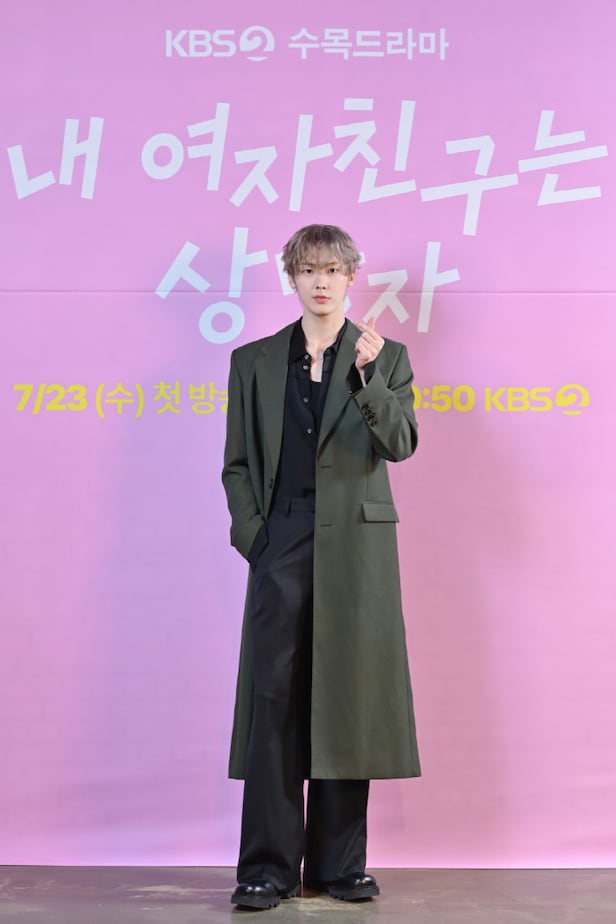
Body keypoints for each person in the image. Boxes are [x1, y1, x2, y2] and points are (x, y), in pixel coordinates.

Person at [222, 224, 420, 910]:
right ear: (292, 278)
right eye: (309, 269)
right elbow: (237, 463)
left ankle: (340, 866)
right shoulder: (253, 361)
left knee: (346, 699)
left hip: (357, 550)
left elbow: (400, 443)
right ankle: (266, 869)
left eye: (333, 269)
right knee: (274, 699)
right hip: (281, 541)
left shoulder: (385, 356)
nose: (321, 281)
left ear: (351, 277)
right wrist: (255, 537)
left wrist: (368, 378)